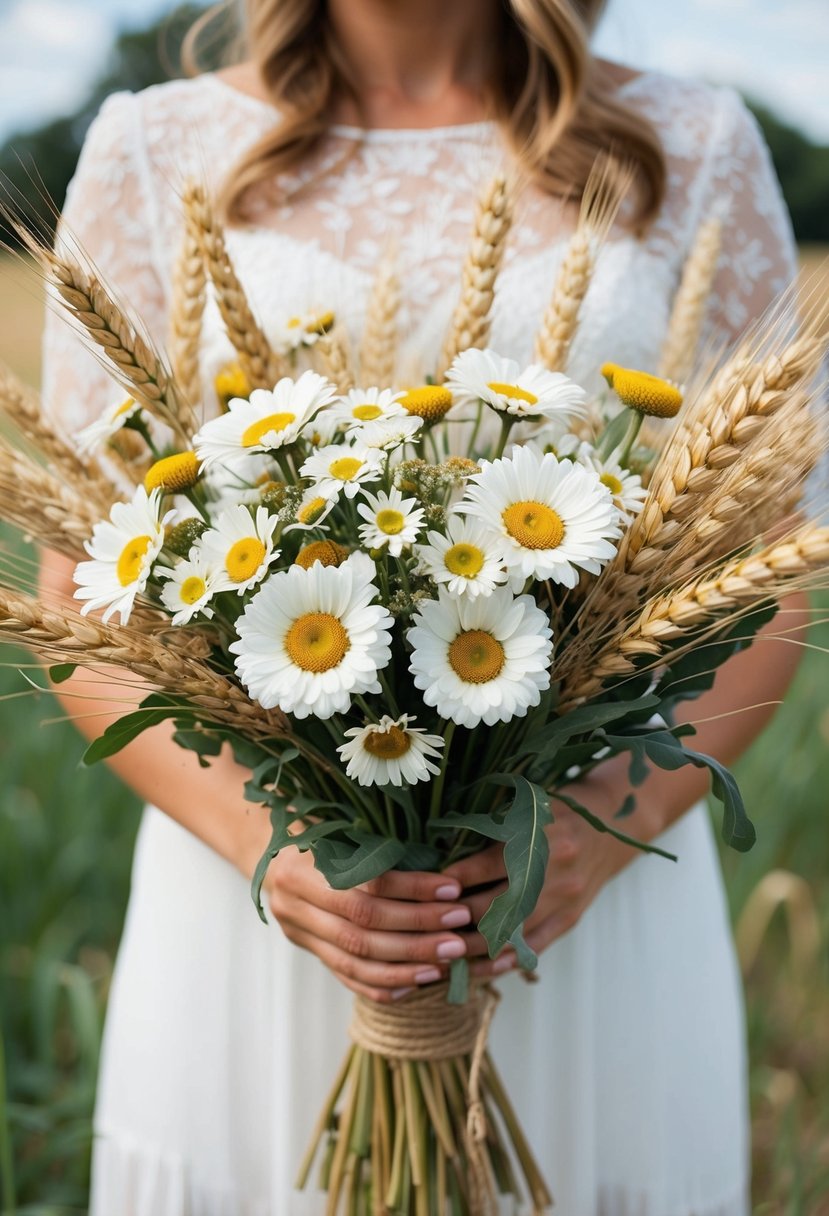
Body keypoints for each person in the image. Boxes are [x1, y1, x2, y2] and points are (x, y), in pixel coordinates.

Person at [38, 0, 806, 1211]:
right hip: (261, 903)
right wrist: (267, 845)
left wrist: (606, 823)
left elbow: (769, 564)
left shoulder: (689, 141)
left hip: (575, 899)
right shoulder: (154, 143)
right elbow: (76, 588)